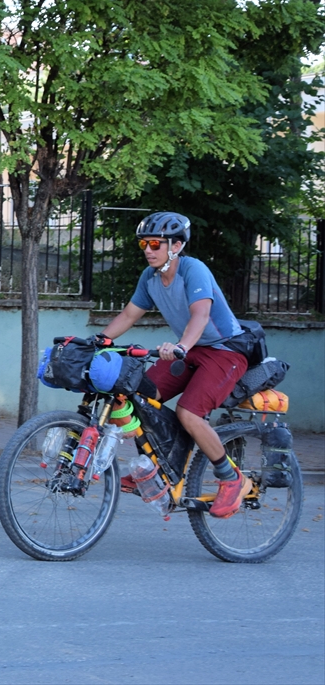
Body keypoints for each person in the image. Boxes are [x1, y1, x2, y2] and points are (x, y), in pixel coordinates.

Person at [99, 211, 252, 518]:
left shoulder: (193, 270)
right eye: (145, 243)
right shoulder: (150, 277)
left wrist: (181, 345)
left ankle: (232, 478)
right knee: (138, 395)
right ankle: (158, 470)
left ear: (177, 246)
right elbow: (129, 315)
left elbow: (201, 316)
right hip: (191, 350)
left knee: (189, 413)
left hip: (225, 351)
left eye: (156, 243)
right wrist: (98, 340)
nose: (148, 249)